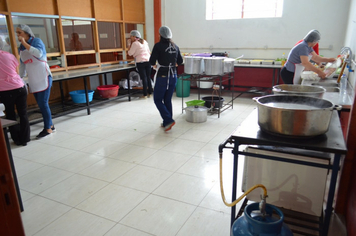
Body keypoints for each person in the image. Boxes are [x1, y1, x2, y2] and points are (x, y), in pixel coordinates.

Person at [16, 24, 55, 138]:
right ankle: (51, 125)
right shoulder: (21, 48)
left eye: (20, 33)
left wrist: (24, 43)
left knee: (43, 104)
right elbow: (23, 64)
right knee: (41, 104)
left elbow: (39, 54)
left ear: (27, 33)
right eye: (17, 33)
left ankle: (47, 129)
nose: (18, 35)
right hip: (33, 78)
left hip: (44, 76)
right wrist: (20, 78)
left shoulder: (37, 41)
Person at [149, 26, 183, 131]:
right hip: (173, 76)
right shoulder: (175, 46)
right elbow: (180, 61)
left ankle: (168, 120)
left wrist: (155, 66)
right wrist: (172, 64)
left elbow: (151, 61)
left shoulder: (158, 46)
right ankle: (166, 122)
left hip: (162, 77)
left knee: (157, 100)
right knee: (167, 99)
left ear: (160, 35)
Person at [0, 38, 30, 146]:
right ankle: (25, 139)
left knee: (10, 115)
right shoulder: (9, 55)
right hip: (19, 88)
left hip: (4, 91)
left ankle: (16, 139)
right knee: (23, 114)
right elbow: (17, 72)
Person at [128, 30, 152, 98]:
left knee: (144, 78)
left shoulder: (135, 43)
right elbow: (149, 51)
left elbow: (130, 53)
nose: (130, 38)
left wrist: (129, 44)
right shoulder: (145, 42)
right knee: (148, 77)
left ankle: (144, 95)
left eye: (131, 36)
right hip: (148, 61)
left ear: (134, 36)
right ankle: (150, 93)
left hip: (140, 62)